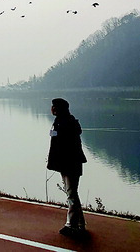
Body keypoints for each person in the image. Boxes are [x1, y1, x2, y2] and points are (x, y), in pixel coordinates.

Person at [47, 97, 87, 237]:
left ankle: (72, 225)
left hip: (70, 163)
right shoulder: (61, 121)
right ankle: (80, 224)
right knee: (72, 193)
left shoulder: (66, 123)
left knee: (71, 194)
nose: (51, 109)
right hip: (66, 163)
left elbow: (65, 147)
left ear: (58, 109)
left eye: (53, 106)